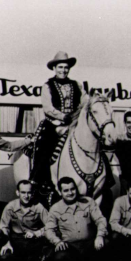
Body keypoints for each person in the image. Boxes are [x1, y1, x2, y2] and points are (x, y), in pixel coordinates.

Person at [30, 51, 88, 192]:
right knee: (44, 147)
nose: (63, 70)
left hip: (75, 123)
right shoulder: (47, 86)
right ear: (54, 68)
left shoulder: (77, 85)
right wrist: (62, 117)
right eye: (60, 67)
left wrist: (77, 115)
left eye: (66, 67)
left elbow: (85, 101)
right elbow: (48, 107)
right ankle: (39, 181)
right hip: (54, 123)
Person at [44, 177, 108, 261]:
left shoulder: (88, 202)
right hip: (71, 247)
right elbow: (48, 229)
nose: (70, 193)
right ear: (60, 192)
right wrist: (57, 241)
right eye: (66, 190)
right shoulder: (55, 208)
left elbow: (100, 220)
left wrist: (100, 236)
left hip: (89, 245)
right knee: (60, 257)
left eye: (72, 189)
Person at [0, 180, 49, 261]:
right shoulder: (11, 206)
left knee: (38, 260)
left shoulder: (38, 207)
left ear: (33, 193)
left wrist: (36, 233)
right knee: (5, 258)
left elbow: (51, 226)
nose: (26, 196)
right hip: (16, 240)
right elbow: (4, 227)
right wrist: (6, 242)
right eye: (23, 192)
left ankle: (36, 258)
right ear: (17, 193)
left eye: (29, 193)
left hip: (34, 241)